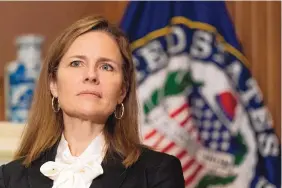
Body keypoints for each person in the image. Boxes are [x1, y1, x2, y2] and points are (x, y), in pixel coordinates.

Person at [0, 15, 185, 188]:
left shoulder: (156, 173)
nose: (91, 75)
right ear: (53, 84)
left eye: (106, 67)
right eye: (76, 63)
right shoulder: (10, 178)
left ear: (122, 90)